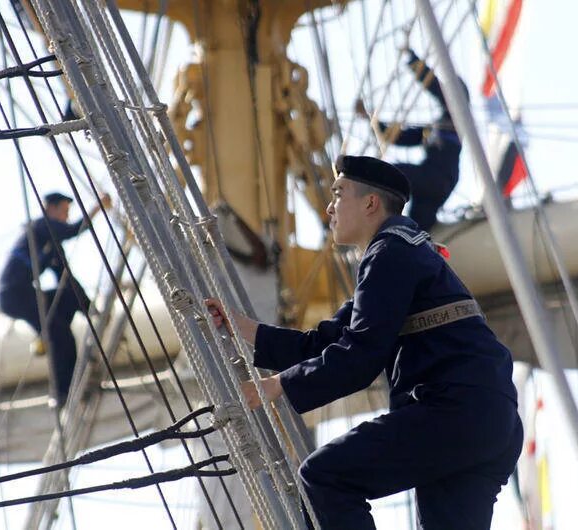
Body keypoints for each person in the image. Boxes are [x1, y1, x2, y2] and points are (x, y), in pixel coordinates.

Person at [206, 155, 522, 529]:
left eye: (339, 194)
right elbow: (326, 344)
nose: (329, 206)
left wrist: (276, 385)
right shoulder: (406, 253)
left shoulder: (389, 253)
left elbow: (360, 356)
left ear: (370, 203)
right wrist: (245, 329)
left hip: (453, 411)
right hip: (488, 420)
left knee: (325, 477)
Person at [0, 191, 111, 408]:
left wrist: (90, 310)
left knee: (67, 303)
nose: (67, 217)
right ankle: (61, 392)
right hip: (14, 295)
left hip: (27, 295)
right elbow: (72, 230)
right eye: (65, 212)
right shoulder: (40, 227)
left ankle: (71, 377)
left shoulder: (52, 246)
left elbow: (67, 278)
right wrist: (99, 207)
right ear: (51, 209)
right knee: (60, 337)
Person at [355, 48, 467, 232]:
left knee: (394, 174)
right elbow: (396, 137)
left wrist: (413, 60)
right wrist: (369, 118)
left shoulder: (459, 119)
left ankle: (370, 213)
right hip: (432, 186)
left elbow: (436, 87)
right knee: (413, 232)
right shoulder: (433, 129)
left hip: (438, 178)